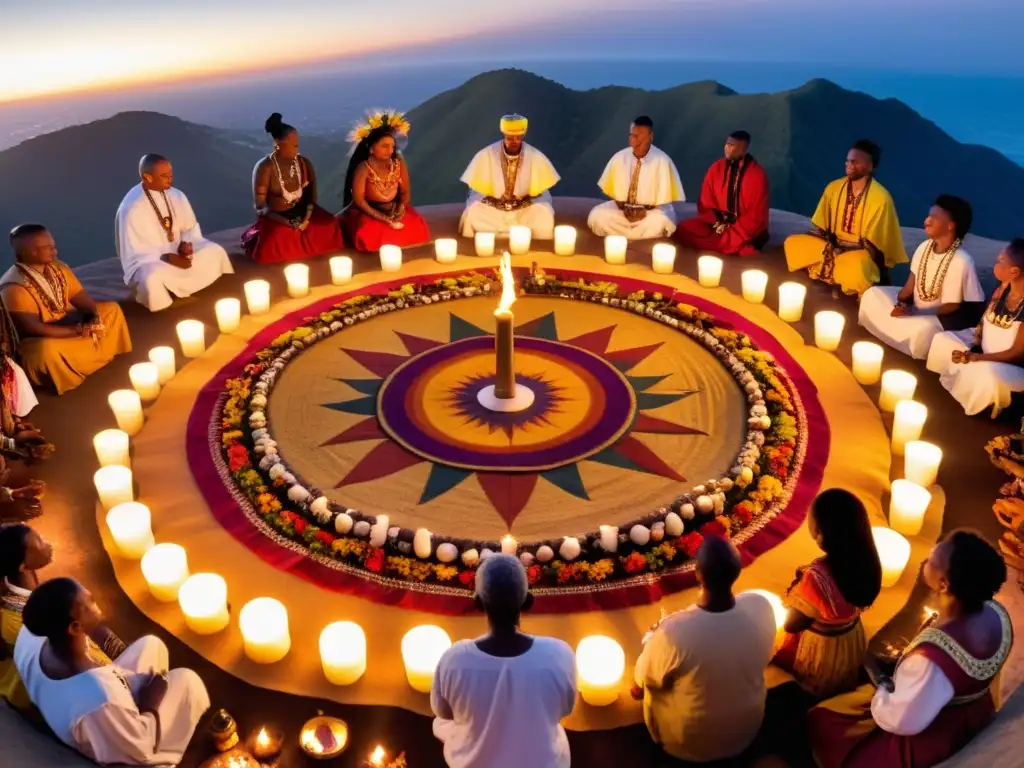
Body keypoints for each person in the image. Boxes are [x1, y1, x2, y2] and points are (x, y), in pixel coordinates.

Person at [809, 529, 1012, 768]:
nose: (930, 551)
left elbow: (901, 719)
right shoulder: (997, 615)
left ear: (944, 584)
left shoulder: (930, 661)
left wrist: (883, 690)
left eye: (937, 555)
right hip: (972, 709)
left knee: (824, 724)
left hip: (927, 726)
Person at [15, 577, 208, 766]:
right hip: (119, 745)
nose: (94, 601)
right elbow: (141, 749)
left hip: (104, 707)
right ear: (75, 627)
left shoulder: (29, 637)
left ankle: (144, 715)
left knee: (152, 645)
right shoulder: (99, 699)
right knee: (187, 681)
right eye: (89, 602)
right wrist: (150, 704)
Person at [633, 535, 776, 763]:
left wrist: (653, 637)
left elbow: (645, 679)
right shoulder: (762, 606)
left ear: (698, 573)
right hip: (747, 727)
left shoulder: (674, 631)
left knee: (650, 684)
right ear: (738, 569)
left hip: (690, 742)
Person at [431, 554, 576, 768]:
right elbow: (565, 709)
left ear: (478, 602)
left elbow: (444, 713)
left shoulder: (454, 660)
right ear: (527, 600)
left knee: (440, 724)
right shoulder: (558, 654)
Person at [774, 489, 882, 699]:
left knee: (772, 642)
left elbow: (793, 624)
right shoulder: (866, 563)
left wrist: (788, 608)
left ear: (820, 535)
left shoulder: (816, 578)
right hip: (849, 641)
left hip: (824, 651)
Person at [1, 224, 132, 394]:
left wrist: (92, 316)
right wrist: (76, 330)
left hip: (69, 322)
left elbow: (81, 298)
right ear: (27, 252)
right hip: (40, 340)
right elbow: (34, 328)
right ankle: (84, 358)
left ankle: (92, 353)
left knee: (111, 310)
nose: (54, 252)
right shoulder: (13, 287)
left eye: (53, 246)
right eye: (47, 248)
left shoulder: (59, 267)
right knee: (46, 352)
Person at [859, 195, 984, 359]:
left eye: (934, 218)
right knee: (872, 295)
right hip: (916, 305)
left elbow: (950, 306)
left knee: (922, 331)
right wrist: (901, 303)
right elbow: (910, 285)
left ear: (950, 226)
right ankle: (895, 332)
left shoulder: (961, 260)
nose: (927, 221)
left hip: (940, 317)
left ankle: (901, 338)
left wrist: (914, 312)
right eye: (928, 216)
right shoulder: (924, 247)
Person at [784, 140, 907, 296]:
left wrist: (844, 252)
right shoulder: (834, 187)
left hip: (858, 253)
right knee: (793, 243)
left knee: (856, 266)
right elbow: (822, 227)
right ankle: (833, 274)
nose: (848, 164)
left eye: (855, 162)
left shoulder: (881, 198)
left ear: (869, 166)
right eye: (848, 160)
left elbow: (879, 247)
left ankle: (838, 279)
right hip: (831, 246)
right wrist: (827, 245)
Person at [115, 154, 234, 312]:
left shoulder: (176, 195)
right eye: (164, 176)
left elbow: (190, 228)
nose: (170, 179)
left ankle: (204, 287)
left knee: (214, 251)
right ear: (148, 177)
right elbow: (135, 253)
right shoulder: (131, 208)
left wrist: (186, 245)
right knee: (150, 278)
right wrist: (170, 258)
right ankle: (167, 304)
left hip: (179, 253)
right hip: (152, 261)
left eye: (171, 175)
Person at [926, 238, 1024, 416]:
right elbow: (985, 320)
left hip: (1008, 365)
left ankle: (988, 405)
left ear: (1014, 272)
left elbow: (1016, 355)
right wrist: (974, 345)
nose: (996, 261)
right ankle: (962, 378)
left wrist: (978, 357)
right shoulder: (1004, 287)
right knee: (943, 340)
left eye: (1000, 260)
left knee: (987, 374)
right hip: (984, 348)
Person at [242, 113, 344, 263]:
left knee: (328, 224)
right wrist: (288, 222)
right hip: (276, 216)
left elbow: (311, 198)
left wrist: (306, 218)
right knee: (279, 236)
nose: (297, 150)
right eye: (294, 145)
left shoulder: (303, 164)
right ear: (277, 143)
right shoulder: (265, 167)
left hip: (303, 212)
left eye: (298, 145)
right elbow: (260, 206)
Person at [339, 111, 432, 251]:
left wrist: (400, 209)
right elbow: (359, 201)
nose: (390, 150)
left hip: (393, 208)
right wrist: (384, 219)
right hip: (369, 211)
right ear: (371, 148)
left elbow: (405, 191)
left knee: (415, 226)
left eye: (392, 146)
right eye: (384, 146)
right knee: (373, 233)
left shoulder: (398, 163)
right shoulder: (364, 169)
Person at [459, 114, 560, 240]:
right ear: (504, 136)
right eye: (510, 138)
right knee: (473, 212)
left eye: (517, 138)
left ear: (522, 136)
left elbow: (540, 193)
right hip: (495, 210)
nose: (514, 142)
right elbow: (478, 191)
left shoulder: (534, 156)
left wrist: (524, 200)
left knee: (544, 214)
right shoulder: (487, 154)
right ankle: (516, 235)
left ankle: (503, 235)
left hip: (523, 209)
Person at [587, 116, 685, 240]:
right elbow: (611, 192)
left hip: (651, 213)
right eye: (633, 136)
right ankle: (636, 236)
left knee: (661, 222)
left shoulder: (662, 161)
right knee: (598, 216)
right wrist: (624, 206)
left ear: (650, 137)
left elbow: (664, 200)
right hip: (623, 211)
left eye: (640, 138)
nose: (636, 142)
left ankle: (624, 236)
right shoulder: (620, 157)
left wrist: (644, 209)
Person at [674, 131, 770, 256]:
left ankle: (737, 247)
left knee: (733, 242)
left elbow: (756, 216)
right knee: (683, 229)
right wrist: (717, 223)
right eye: (727, 144)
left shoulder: (757, 175)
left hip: (742, 231)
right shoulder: (716, 168)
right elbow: (705, 203)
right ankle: (736, 249)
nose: (727, 148)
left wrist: (732, 230)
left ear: (744, 150)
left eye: (732, 146)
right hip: (717, 226)